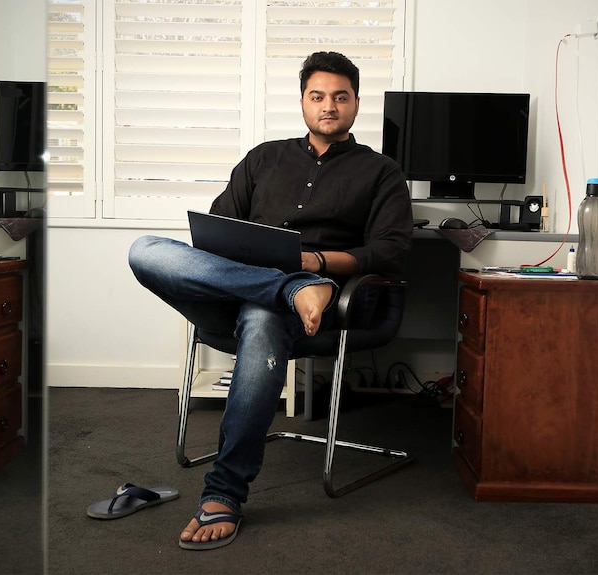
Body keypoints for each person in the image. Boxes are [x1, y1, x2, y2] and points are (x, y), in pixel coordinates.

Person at [128, 51, 413, 550]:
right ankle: (286, 289)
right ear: (303, 101)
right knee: (145, 250)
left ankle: (223, 494)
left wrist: (316, 264)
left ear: (356, 104)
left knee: (262, 320)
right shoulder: (263, 158)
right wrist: (275, 276)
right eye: (318, 96)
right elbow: (215, 232)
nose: (329, 106)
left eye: (340, 97)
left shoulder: (381, 172)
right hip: (243, 289)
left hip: (326, 307)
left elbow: (389, 252)